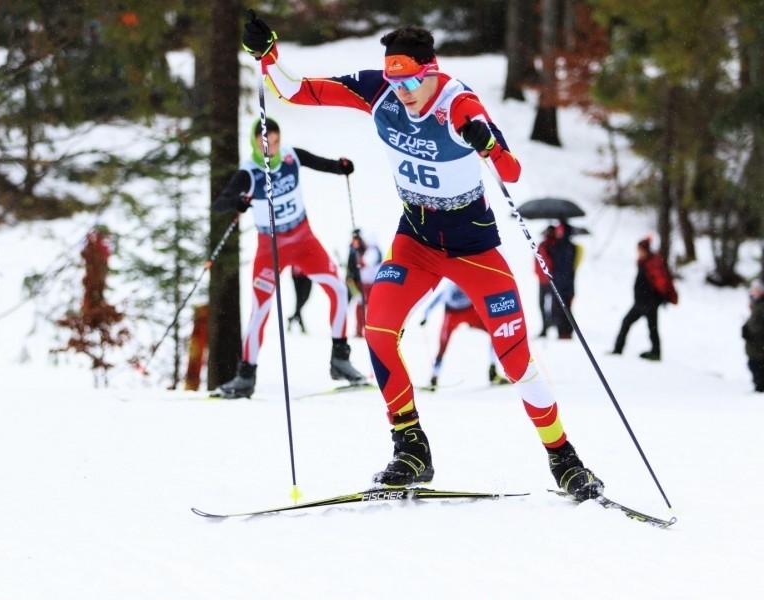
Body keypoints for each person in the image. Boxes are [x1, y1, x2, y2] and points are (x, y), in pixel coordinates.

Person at [242, 16, 603, 500]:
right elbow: (294, 91)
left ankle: (564, 459)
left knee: (514, 356)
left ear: (431, 71)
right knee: (377, 329)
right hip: (415, 240)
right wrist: (267, 54)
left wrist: (489, 144)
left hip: (473, 247)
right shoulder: (381, 92)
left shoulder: (459, 104)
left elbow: (512, 172)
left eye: (412, 79)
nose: (404, 91)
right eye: (395, 80)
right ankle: (411, 448)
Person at [212, 117, 366, 398]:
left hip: (304, 239)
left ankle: (340, 359)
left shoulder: (292, 157)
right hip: (270, 247)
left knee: (339, 290)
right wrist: (237, 202)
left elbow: (323, 164)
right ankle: (245, 376)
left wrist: (341, 167)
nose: (271, 147)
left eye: (275, 140)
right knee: (260, 310)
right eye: (264, 142)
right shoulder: (249, 172)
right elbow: (220, 204)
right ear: (255, 143)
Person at [419, 280, 509, 388]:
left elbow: (483, 293)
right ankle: (434, 378)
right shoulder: (449, 287)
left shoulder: (467, 281)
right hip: (452, 314)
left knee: (494, 332)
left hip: (469, 311)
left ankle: (493, 371)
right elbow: (436, 300)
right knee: (443, 345)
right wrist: (425, 316)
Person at [611, 237, 678, 361]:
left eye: (640, 250)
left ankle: (654, 352)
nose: (638, 252)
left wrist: (662, 297)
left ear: (645, 250)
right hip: (641, 302)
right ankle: (620, 349)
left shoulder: (651, 264)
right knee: (639, 325)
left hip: (648, 302)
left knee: (645, 326)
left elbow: (661, 282)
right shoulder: (645, 262)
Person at [347, 229, 383, 337]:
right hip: (363, 283)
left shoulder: (373, 251)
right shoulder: (367, 249)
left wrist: (358, 257)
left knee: (368, 308)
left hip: (370, 284)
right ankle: (360, 330)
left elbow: (363, 263)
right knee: (361, 306)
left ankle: (369, 331)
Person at [548, 221, 577, 339]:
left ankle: (565, 332)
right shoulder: (568, 246)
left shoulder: (562, 246)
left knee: (563, 308)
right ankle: (565, 331)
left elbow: (563, 265)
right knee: (564, 308)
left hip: (563, 283)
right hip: (565, 282)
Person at [742, 280, 764, 392]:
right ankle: (758, 388)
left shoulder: (761, 305)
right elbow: (752, 321)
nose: (753, 292)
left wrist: (752, 334)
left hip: (759, 345)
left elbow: (759, 325)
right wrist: (746, 329)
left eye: (755, 290)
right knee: (753, 365)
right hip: (754, 346)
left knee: (758, 366)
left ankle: (760, 389)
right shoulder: (756, 304)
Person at [534, 225, 556, 337]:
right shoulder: (545, 245)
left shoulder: (550, 245)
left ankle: (548, 325)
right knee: (545, 305)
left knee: (547, 305)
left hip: (548, 280)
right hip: (545, 279)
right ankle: (546, 326)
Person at [288, 266, 312, 333]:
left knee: (303, 300)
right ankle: (301, 325)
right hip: (297, 275)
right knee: (299, 301)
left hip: (307, 275)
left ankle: (293, 317)